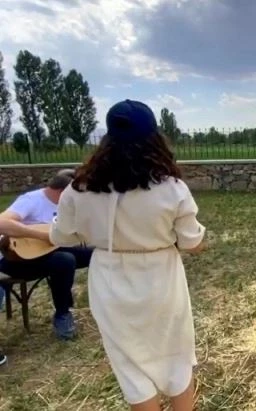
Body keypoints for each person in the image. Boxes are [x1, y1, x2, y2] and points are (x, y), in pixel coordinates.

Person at [49, 99, 206, 411]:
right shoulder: (171, 188)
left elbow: (62, 236)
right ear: (155, 138)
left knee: (131, 369)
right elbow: (192, 244)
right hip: (161, 279)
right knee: (176, 357)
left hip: (109, 281)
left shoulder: (80, 188)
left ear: (107, 138)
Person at [0, 168, 91, 340]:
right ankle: (62, 315)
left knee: (95, 252)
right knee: (64, 260)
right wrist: (42, 235)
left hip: (50, 252)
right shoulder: (32, 200)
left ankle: (105, 303)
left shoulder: (69, 208)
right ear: (62, 192)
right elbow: (2, 222)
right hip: (16, 260)